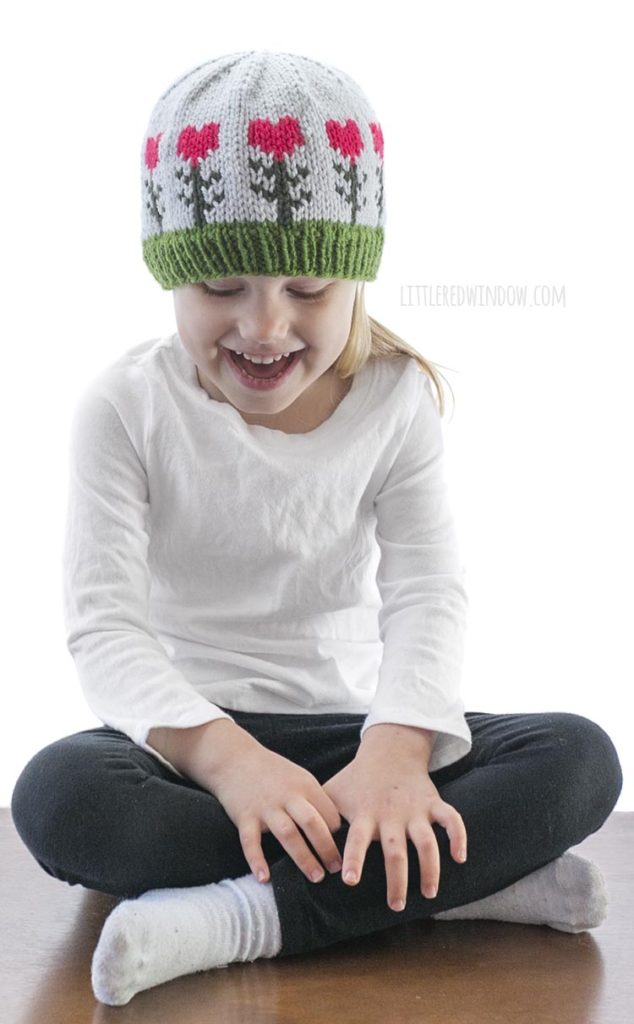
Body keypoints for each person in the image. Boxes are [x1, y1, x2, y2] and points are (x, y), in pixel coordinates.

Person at [10, 49, 622, 1007]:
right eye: (223, 288)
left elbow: (426, 591)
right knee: (60, 796)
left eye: (306, 291)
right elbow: (106, 629)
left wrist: (395, 753)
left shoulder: (395, 402)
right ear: (171, 272)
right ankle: (452, 891)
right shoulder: (123, 408)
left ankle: (235, 915)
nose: (264, 326)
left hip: (352, 747)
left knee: (578, 757)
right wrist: (229, 759)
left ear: (356, 278)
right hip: (192, 753)